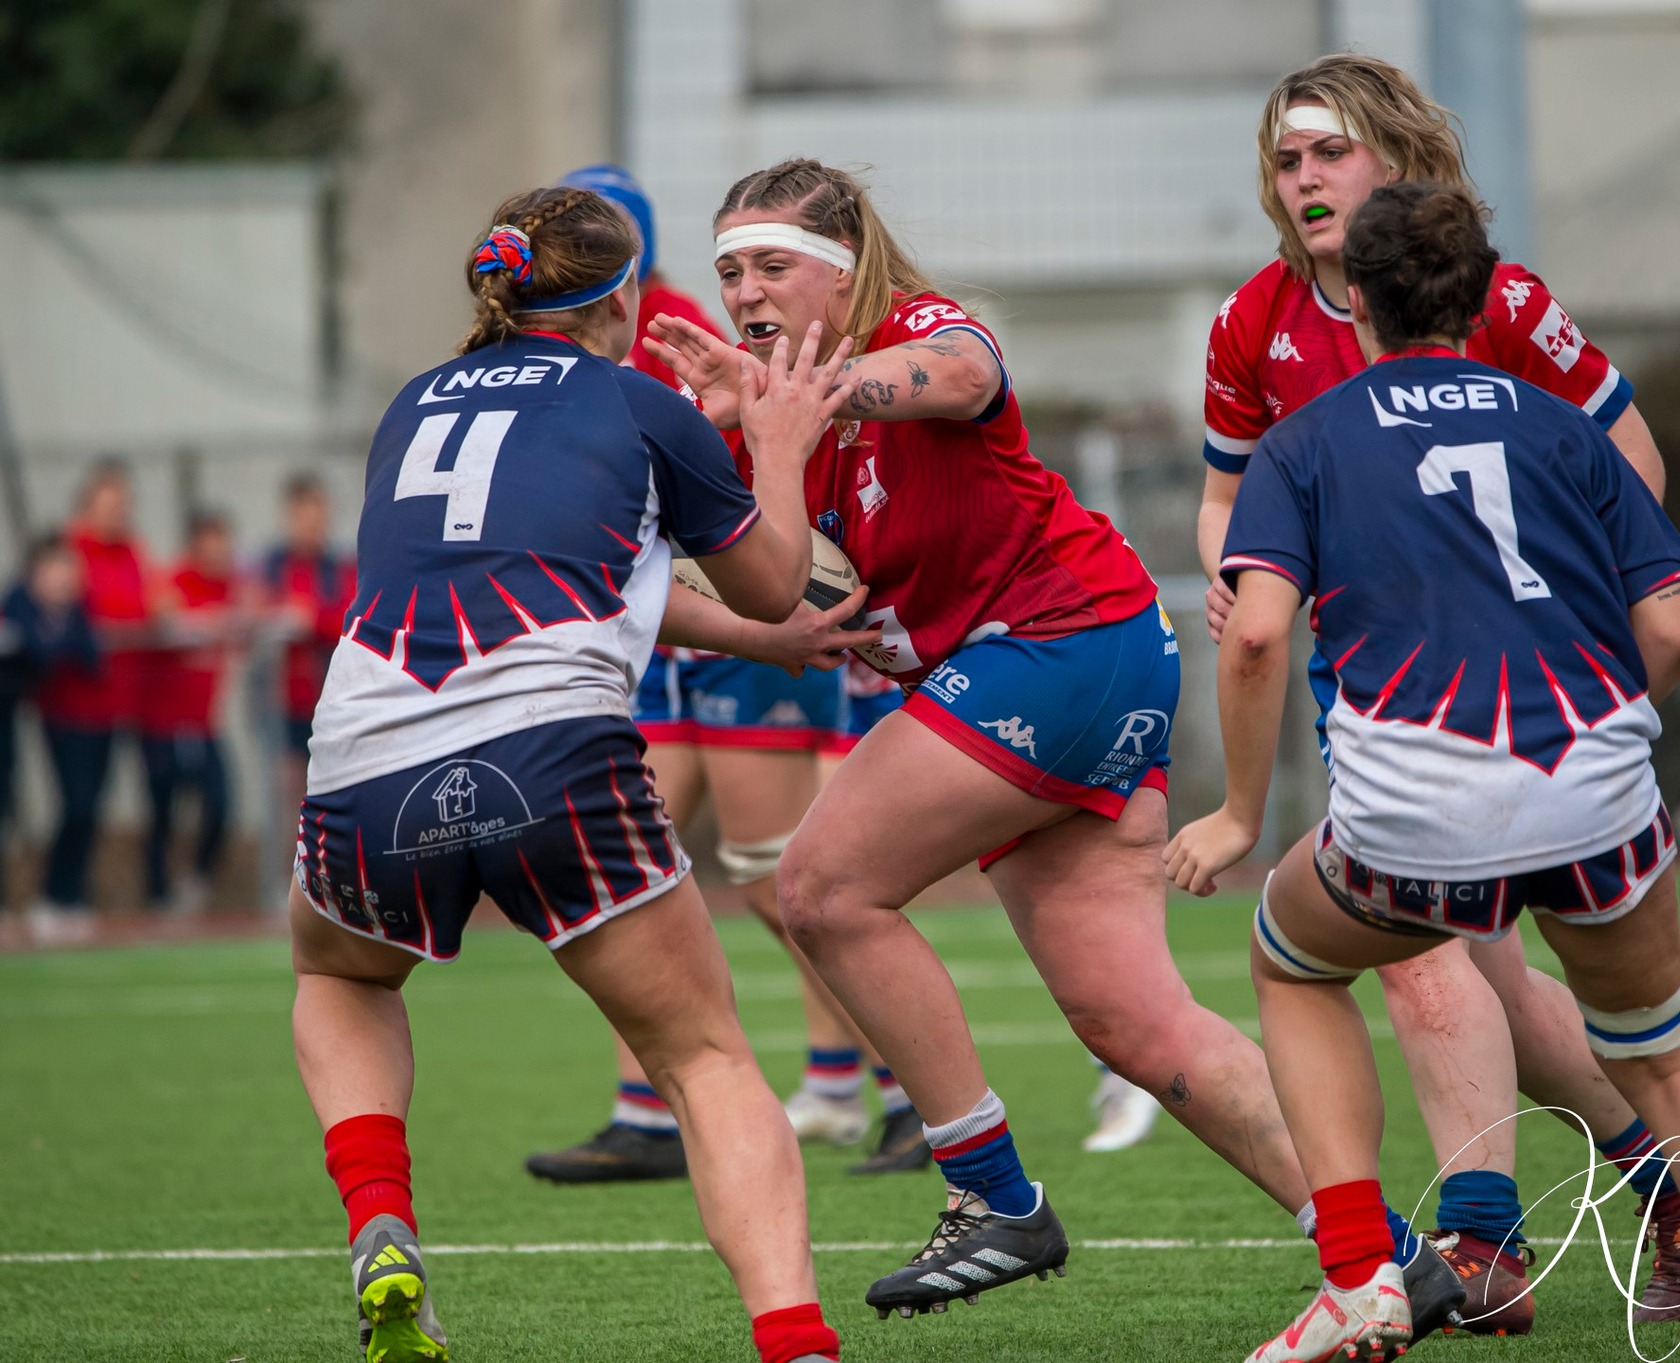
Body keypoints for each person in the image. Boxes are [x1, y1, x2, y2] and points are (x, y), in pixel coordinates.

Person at [644, 157, 1423, 1326]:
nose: (742, 291)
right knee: (1133, 1019)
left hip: (1058, 643)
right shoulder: (781, 419)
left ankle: (991, 1191)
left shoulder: (908, 330)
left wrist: (807, 396)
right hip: (1067, 665)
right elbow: (770, 588)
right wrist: (746, 438)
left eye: (770, 265)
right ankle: (1389, 1254)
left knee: (819, 888)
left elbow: (965, 371)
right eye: (728, 273)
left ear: (844, 271)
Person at [1168, 180, 1680, 1363]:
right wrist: (1595, 730)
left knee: (1289, 963)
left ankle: (1360, 1280)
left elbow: (1249, 634)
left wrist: (1241, 813)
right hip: (1596, 794)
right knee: (1666, 1057)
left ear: (1355, 295)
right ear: (1477, 290)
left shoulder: (1306, 441)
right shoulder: (1559, 430)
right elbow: (1677, 631)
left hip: (1415, 810)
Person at [1196, 52, 1680, 1330]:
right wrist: (1244, 578)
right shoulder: (1250, 321)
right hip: (1369, 679)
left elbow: (1627, 451)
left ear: (1390, 155)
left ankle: (1489, 1243)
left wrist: (1564, 620)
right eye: (1284, 158)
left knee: (1441, 959)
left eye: (1328, 151)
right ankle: (1657, 1186)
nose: (1303, 177)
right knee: (1465, 966)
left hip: (1516, 692)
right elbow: (1224, 496)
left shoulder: (1493, 297)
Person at [288, 184, 847, 1363]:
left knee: (342, 975)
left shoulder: (411, 403)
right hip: (551, 749)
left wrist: (764, 644)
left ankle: (382, 1221)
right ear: (623, 295)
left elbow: (573, 577)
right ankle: (795, 1341)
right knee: (703, 1059)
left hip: (365, 751)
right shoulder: (643, 403)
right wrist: (778, 441)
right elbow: (771, 576)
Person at [524, 163, 919, 1186]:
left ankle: (893, 1085)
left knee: (777, 877)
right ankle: (649, 1108)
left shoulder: (668, 334)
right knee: (627, 864)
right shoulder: (583, 342)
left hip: (739, 619)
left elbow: (724, 484)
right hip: (658, 627)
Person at [33, 460, 156, 939]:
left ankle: (74, 897)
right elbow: (91, 608)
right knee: (75, 803)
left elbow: (147, 604)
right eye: (108, 504)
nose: (118, 513)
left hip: (113, 705)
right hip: (68, 705)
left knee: (95, 805)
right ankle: (52, 894)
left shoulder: (132, 551)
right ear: (87, 507)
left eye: (123, 504)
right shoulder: (70, 550)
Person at [139, 511, 242, 914]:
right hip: (162, 723)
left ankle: (196, 876)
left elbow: (255, 610)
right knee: (163, 807)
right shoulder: (175, 580)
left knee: (221, 803)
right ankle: (157, 892)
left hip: (204, 723)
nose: (218, 554)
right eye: (210, 545)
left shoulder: (231, 586)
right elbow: (159, 610)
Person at [1, 535, 97, 940]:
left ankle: (58, 898)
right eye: (56, 572)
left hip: (19, 717)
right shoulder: (18, 603)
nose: (65, 582)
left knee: (74, 805)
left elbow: (91, 656)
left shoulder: (72, 610)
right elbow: (39, 651)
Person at [262, 475, 356, 823]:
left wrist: (311, 618)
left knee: (330, 795)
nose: (313, 527)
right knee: (288, 801)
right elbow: (251, 614)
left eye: (320, 519)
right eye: (305, 518)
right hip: (283, 705)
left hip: (331, 702)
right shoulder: (271, 567)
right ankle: (286, 875)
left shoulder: (340, 568)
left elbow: (350, 618)